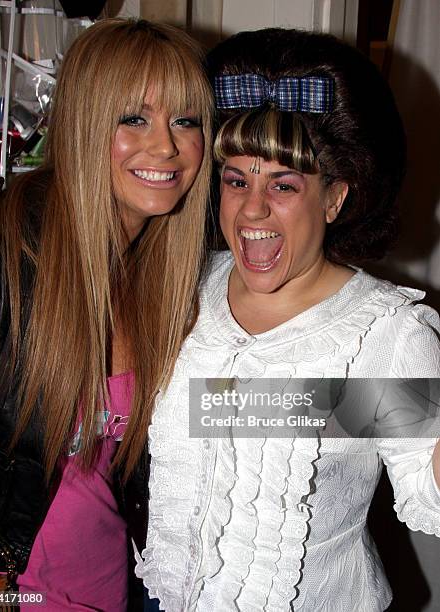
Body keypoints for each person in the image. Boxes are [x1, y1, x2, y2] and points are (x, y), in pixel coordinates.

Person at [135, 28, 440, 611]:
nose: (252, 208)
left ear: (335, 197)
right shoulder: (182, 288)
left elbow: (428, 496)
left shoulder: (385, 336)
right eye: (235, 180)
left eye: (284, 184)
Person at [0, 18, 213, 611]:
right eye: (133, 118)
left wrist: (404, 415)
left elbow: (238, 412)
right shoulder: (0, 249)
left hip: (109, 586)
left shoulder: (175, 281)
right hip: (11, 591)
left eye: (185, 120)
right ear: (86, 123)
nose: (165, 146)